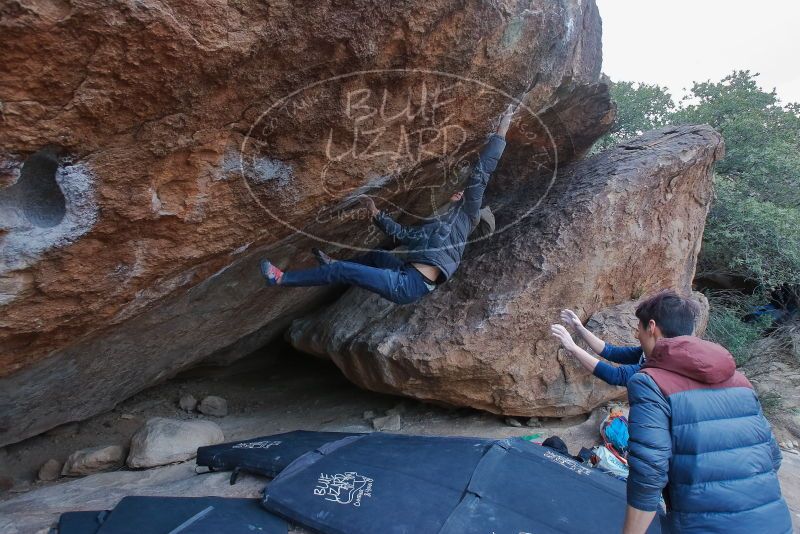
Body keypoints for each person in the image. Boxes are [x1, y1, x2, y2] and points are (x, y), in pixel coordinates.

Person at [259, 103, 517, 305]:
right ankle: (331, 263)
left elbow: (481, 174)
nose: (461, 193)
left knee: (345, 271)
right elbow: (402, 234)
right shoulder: (438, 229)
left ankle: (282, 279)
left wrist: (502, 129)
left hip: (407, 286)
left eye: (465, 197)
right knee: (378, 256)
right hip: (408, 274)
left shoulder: (466, 217)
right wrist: (375, 213)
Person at [599, 291, 790, 534]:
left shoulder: (650, 383)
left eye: (638, 328)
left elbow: (649, 472)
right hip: (774, 524)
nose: (636, 335)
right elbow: (773, 457)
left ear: (652, 327)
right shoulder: (740, 381)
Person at [551, 309, 644, 386]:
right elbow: (611, 352)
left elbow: (616, 376)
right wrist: (580, 329)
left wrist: (574, 348)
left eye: (640, 330)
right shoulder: (647, 352)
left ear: (652, 328)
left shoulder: (655, 368)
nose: (637, 336)